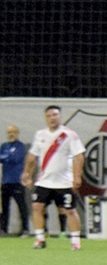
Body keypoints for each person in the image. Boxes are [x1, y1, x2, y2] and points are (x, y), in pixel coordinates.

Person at [21, 106, 85, 250]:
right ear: (46, 118)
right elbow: (32, 156)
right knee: (37, 207)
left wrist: (77, 176)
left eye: (55, 115)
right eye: (49, 115)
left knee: (70, 210)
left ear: (60, 116)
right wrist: (26, 173)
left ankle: (75, 241)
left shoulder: (69, 135)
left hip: (64, 182)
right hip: (44, 180)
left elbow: (79, 156)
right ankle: (40, 239)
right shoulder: (40, 135)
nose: (52, 118)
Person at [0, 125, 31, 237]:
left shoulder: (20, 146)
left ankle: (25, 229)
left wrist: (6, 157)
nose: (11, 134)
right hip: (5, 181)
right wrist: (7, 156)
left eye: (13, 132)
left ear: (17, 133)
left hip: (17, 181)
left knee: (21, 206)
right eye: (9, 132)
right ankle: (3, 229)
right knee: (4, 207)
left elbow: (15, 158)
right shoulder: (4, 146)